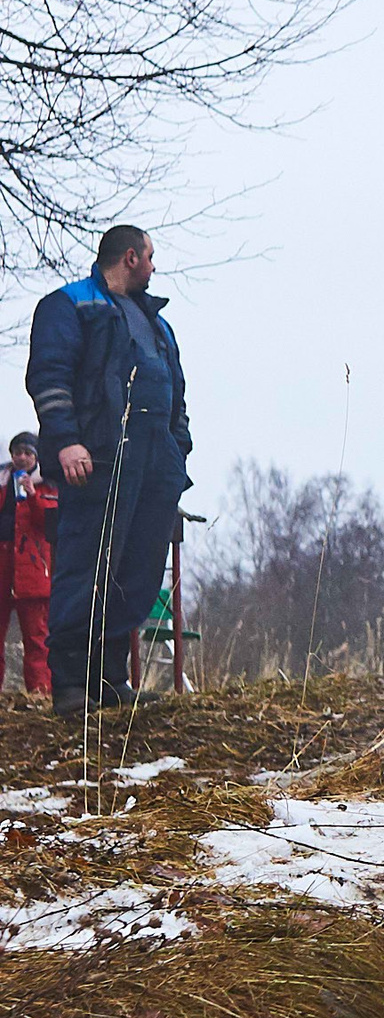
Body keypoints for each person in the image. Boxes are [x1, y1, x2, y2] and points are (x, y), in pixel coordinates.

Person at [25, 226, 191, 718]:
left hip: (155, 463)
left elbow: (176, 393)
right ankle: (72, 683)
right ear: (131, 256)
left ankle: (109, 677)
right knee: (87, 564)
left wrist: (177, 450)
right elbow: (48, 376)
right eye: (151, 257)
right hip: (96, 458)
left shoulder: (157, 324)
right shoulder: (69, 304)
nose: (155, 267)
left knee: (138, 568)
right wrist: (67, 440)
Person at [0, 433, 55, 697]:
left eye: (27, 452)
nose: (21, 457)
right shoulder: (1, 482)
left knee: (36, 637)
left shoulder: (47, 484)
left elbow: (48, 523)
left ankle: (40, 693)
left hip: (32, 570)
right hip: (3, 565)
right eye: (16, 452)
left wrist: (32, 495)